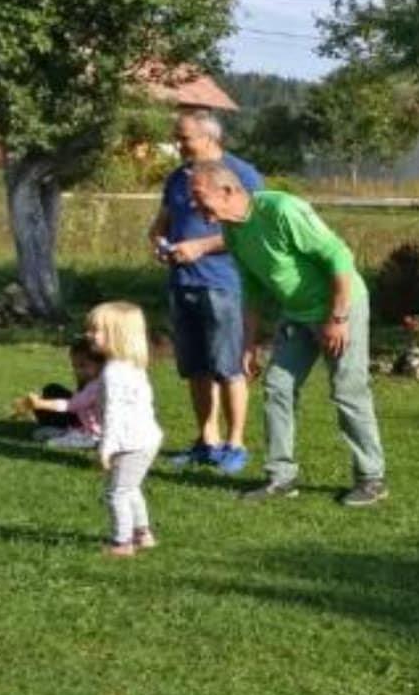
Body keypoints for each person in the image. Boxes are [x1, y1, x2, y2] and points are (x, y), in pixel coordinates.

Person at [186, 161, 387, 507]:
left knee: (347, 391)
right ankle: (281, 477)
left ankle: (371, 479)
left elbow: (339, 255)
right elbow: (251, 290)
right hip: (297, 314)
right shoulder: (233, 231)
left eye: (199, 196)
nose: (194, 206)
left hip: (341, 307)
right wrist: (248, 344)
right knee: (277, 385)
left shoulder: (281, 210)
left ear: (228, 191)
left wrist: (338, 318)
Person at [150, 109, 262, 475]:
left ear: (209, 137)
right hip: (183, 283)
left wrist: (200, 247)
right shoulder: (177, 177)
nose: (178, 144)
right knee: (196, 367)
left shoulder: (242, 174)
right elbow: (161, 224)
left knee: (228, 367)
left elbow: (252, 229)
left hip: (223, 284)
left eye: (184, 138)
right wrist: (160, 243)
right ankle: (206, 440)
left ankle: (236, 443)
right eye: (177, 137)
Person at [86, 301, 165, 557]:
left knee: (117, 492)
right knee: (131, 488)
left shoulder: (114, 372)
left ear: (117, 335)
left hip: (130, 442)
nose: (89, 334)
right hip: (146, 438)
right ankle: (143, 534)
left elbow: (114, 414)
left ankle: (122, 543)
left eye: (96, 330)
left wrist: (106, 448)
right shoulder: (132, 365)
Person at [19, 337, 105, 451]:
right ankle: (73, 432)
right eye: (75, 366)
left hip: (94, 432)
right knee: (51, 390)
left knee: (50, 442)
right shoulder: (92, 383)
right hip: (84, 425)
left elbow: (71, 405)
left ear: (99, 364)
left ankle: (88, 439)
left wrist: (41, 404)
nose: (78, 371)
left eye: (83, 365)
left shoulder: (96, 386)